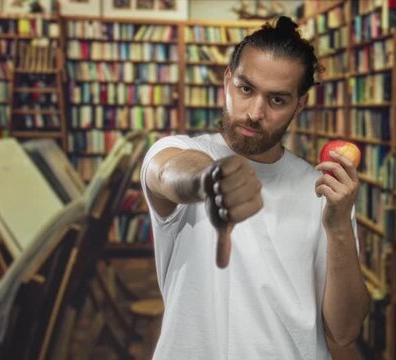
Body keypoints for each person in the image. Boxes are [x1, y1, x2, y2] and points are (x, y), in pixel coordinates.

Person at [140, 16, 371, 360]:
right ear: (227, 81)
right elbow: (168, 172)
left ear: (300, 104)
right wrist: (211, 179)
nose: (254, 112)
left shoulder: (320, 189)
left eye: (277, 100)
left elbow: (345, 329)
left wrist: (338, 228)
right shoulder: (181, 150)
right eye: (246, 89)